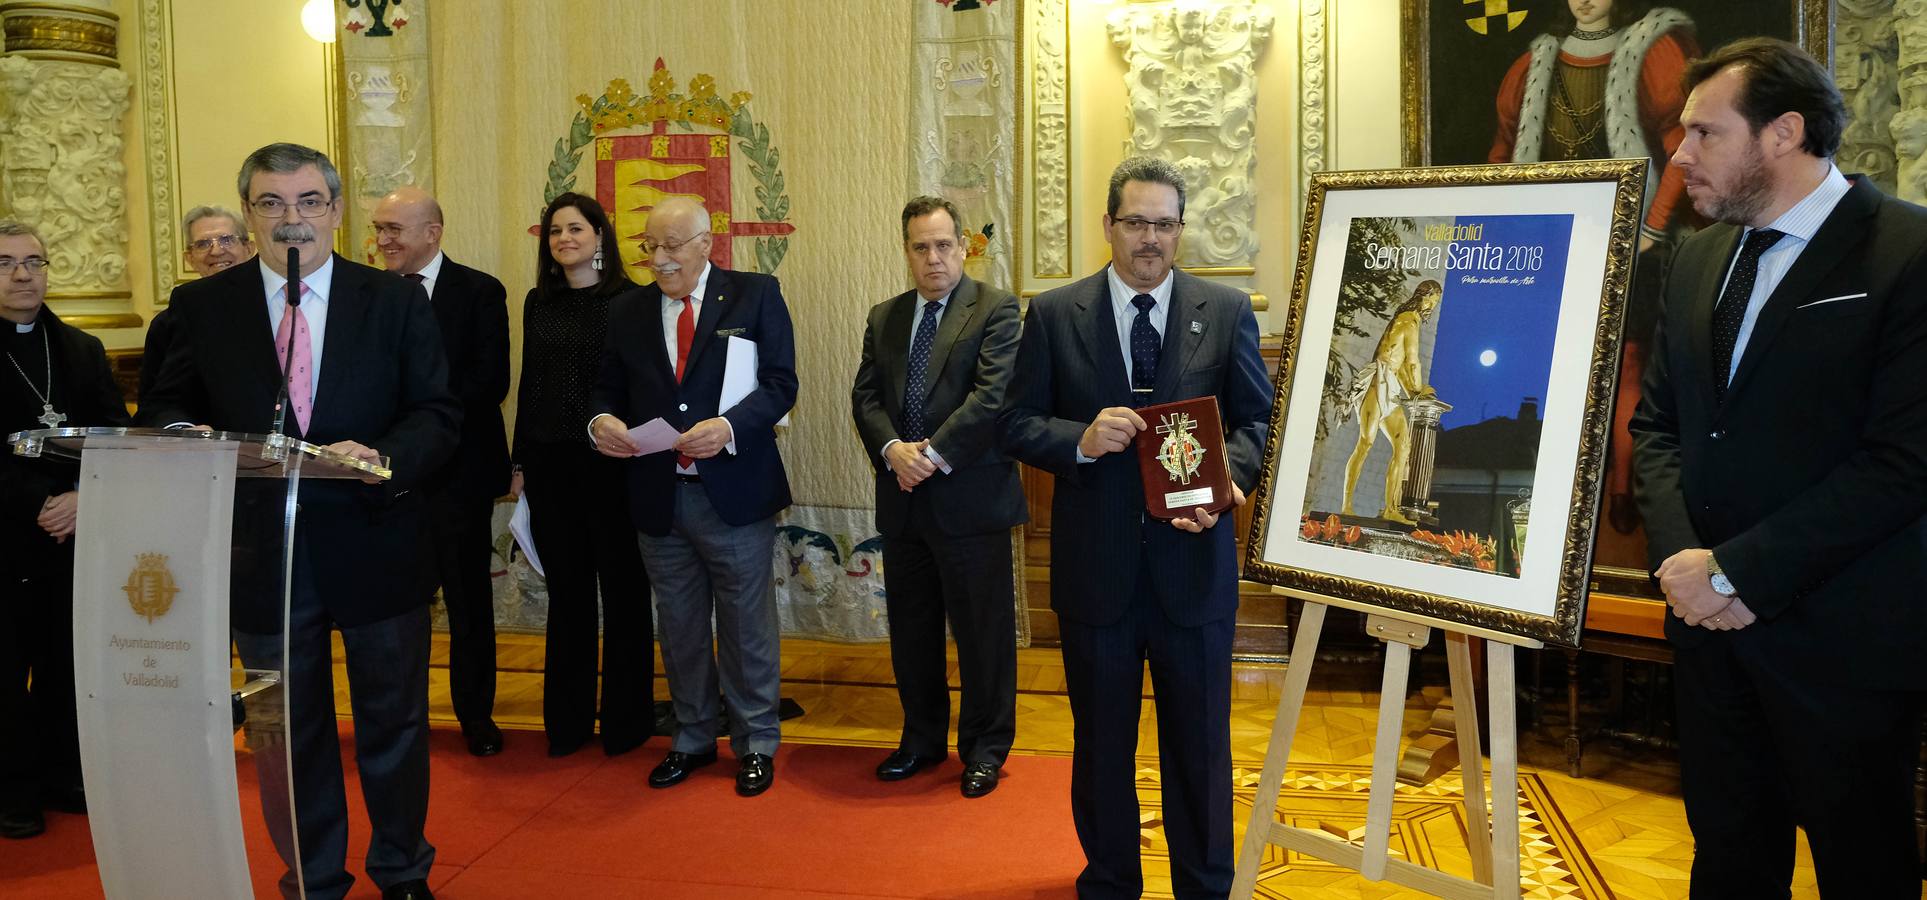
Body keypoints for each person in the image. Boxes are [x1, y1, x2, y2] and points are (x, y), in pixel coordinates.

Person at [1629, 38, 1927, 898]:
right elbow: (1659, 428)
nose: (1678, 155)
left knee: (1862, 864)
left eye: (1702, 133)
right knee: (1726, 859)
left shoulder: (1905, 253)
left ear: (1783, 132)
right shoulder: (1694, 260)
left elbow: (1903, 462)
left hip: (1843, 641)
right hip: (1707, 636)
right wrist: (1688, 569)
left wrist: (1735, 572)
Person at [139, 142, 458, 900]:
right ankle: (313, 876)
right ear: (248, 214)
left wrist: (379, 453)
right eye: (272, 204)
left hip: (376, 540)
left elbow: (440, 416)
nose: (292, 220)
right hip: (261, 554)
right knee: (288, 734)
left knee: (393, 722)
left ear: (337, 211)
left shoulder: (394, 300)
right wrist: (198, 443)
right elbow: (166, 407)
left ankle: (402, 868)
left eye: (309, 202)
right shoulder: (202, 307)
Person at [998, 157, 1271, 898]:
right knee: (1101, 748)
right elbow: (1016, 423)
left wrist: (1230, 481)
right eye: (1135, 222)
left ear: (1180, 229)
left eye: (1163, 224)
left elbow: (1255, 419)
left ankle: (1204, 887)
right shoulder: (1055, 314)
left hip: (1194, 573)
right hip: (1098, 577)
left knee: (1200, 750)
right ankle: (1112, 882)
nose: (1149, 239)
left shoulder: (1223, 310)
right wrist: (1078, 441)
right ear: (1108, 226)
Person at [590, 196, 797, 798]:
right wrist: (600, 421)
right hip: (658, 494)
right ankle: (693, 737)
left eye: (672, 246)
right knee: (677, 626)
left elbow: (782, 383)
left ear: (707, 243)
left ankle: (757, 741)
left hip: (733, 493)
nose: (658, 259)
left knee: (745, 625)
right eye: (649, 246)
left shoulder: (755, 293)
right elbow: (606, 389)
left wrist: (730, 426)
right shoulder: (627, 311)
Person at [850, 196, 1025, 797]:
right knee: (913, 631)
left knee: (983, 634)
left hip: (969, 499)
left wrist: (927, 456)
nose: (933, 258)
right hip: (904, 502)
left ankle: (985, 748)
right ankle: (921, 740)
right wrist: (893, 449)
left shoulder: (997, 310)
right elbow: (866, 398)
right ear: (906, 252)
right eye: (920, 247)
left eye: (943, 245)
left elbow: (991, 397)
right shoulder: (885, 316)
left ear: (964, 246)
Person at [511, 192, 654, 759]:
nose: (564, 239)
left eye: (576, 228)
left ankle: (627, 724)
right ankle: (567, 725)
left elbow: (640, 386)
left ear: (601, 236)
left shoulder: (631, 300)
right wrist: (519, 460)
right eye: (554, 232)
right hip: (550, 464)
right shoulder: (536, 301)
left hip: (612, 464)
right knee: (568, 595)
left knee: (624, 593)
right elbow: (531, 385)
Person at [372, 186, 511, 759]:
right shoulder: (367, 294)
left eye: (394, 230)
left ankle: (475, 715)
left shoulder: (479, 292)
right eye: (377, 229)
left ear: (432, 232)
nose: (382, 241)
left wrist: (421, 419)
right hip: (384, 475)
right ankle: (400, 717)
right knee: (393, 603)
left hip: (458, 475)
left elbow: (490, 382)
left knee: (467, 601)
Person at [0, 220, 128, 840]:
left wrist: (83, 496)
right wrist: (39, 500)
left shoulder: (80, 349)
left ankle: (60, 773)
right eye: (6, 263)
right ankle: (11, 788)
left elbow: (114, 435)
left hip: (75, 534)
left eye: (34, 262)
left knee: (63, 662)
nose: (24, 275)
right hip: (6, 533)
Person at [1340, 279, 1442, 524]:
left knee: (1403, 448)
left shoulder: (1408, 319)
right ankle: (1347, 505)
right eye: (1433, 300)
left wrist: (1415, 391)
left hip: (1392, 386)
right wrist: (1418, 388)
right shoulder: (1409, 320)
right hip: (1377, 382)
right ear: (1424, 296)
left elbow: (1402, 366)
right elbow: (1413, 361)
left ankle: (1391, 509)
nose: (1432, 306)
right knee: (1365, 442)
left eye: (1436, 302)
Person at [139, 206, 255, 402]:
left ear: (249, 249)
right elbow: (156, 403)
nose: (217, 251)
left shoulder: (275, 309)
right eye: (203, 244)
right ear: (190, 259)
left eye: (227, 240)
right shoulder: (167, 324)